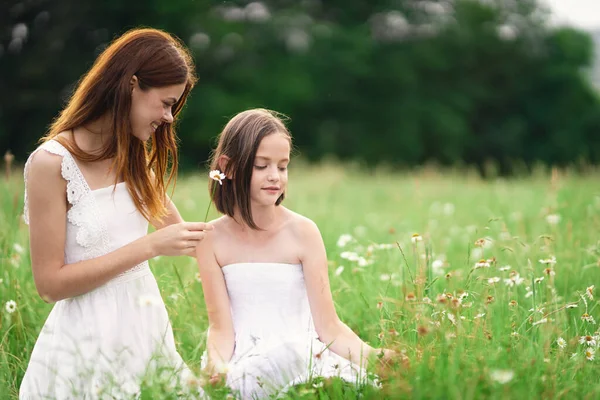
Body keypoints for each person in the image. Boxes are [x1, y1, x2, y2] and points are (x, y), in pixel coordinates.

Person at [19, 28, 212, 399]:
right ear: (131, 86)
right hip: (86, 343)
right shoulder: (50, 164)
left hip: (146, 329)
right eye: (165, 102)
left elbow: (186, 237)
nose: (169, 117)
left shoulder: (133, 155)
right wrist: (150, 247)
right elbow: (49, 285)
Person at [195, 108, 393, 399]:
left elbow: (329, 326)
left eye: (283, 166)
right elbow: (221, 329)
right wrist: (216, 366)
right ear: (230, 167)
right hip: (247, 360)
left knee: (317, 373)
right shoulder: (210, 239)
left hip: (303, 354)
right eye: (262, 166)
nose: (275, 176)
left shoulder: (303, 232)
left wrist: (373, 356)